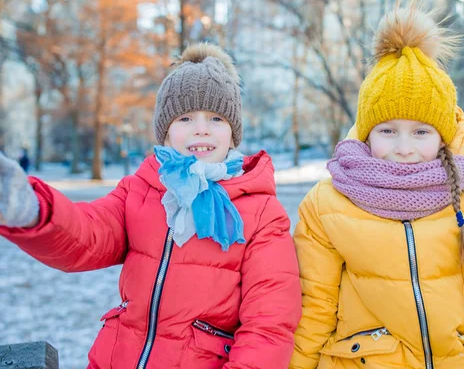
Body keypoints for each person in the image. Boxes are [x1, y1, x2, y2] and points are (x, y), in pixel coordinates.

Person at [0, 43, 302, 369]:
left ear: (232, 133)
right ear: (166, 133)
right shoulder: (140, 190)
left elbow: (269, 323)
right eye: (185, 117)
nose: (201, 127)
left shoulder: (261, 212)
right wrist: (31, 209)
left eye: (216, 117)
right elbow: (87, 233)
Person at [290, 2, 464, 369]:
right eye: (388, 131)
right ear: (368, 134)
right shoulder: (328, 204)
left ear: (443, 136)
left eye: (421, 132)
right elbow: (312, 309)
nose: (404, 149)